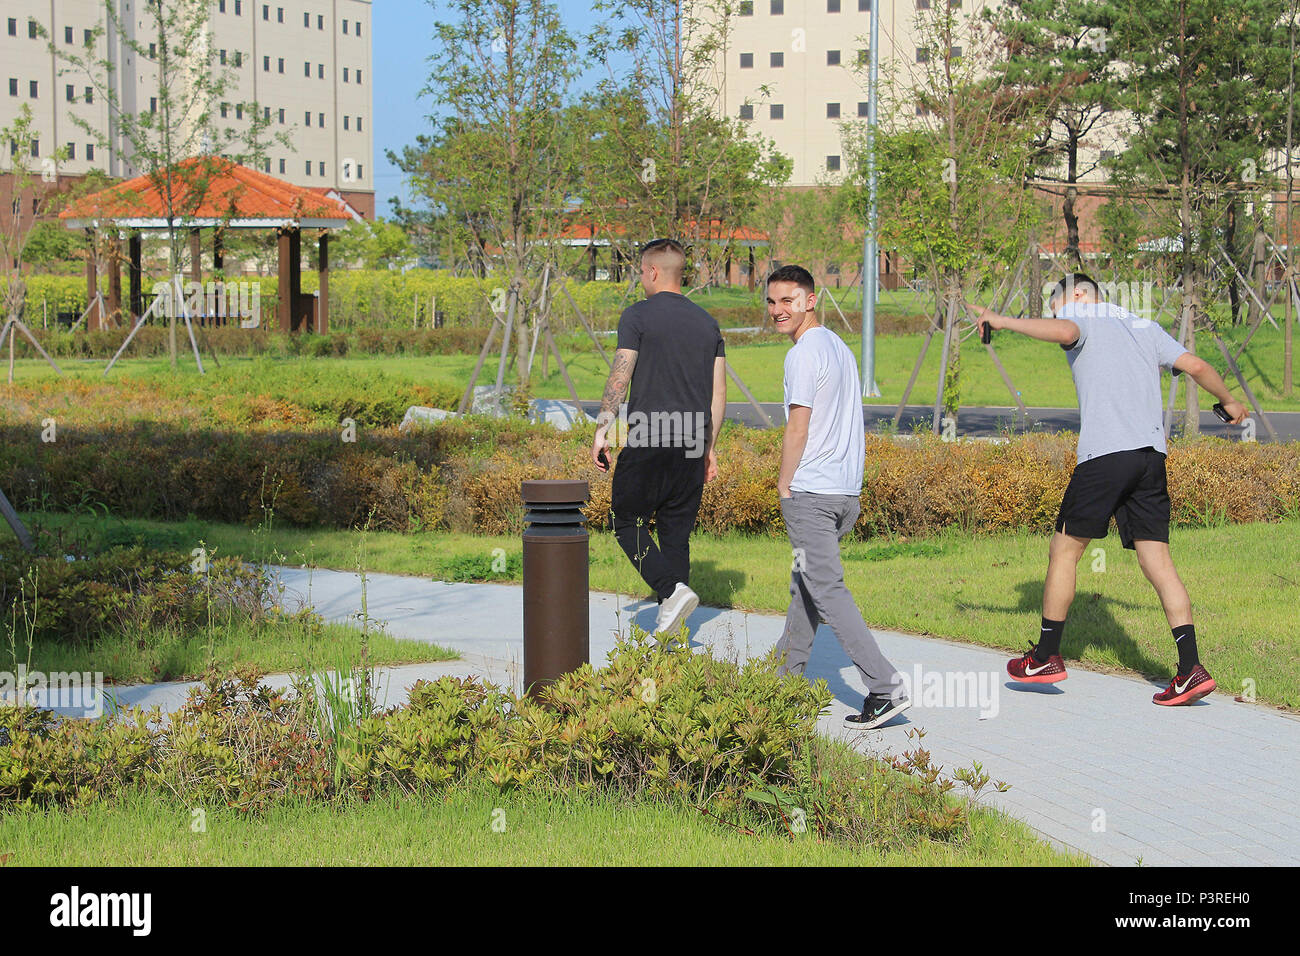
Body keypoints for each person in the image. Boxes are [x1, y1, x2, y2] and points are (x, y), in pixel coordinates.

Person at [969, 273, 1250, 705]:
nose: (1057, 315)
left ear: (1079, 296)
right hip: (1151, 457)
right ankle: (1190, 668)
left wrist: (1003, 321)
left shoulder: (1081, 315)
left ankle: (1045, 656)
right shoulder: (1143, 325)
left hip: (1105, 457)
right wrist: (1229, 401)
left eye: (1056, 304)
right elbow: (1195, 365)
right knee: (1157, 559)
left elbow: (1064, 330)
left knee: (1065, 551)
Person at [768, 265, 910, 729]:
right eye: (771, 302)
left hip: (812, 491)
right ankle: (779, 682)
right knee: (806, 585)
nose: (777, 311)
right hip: (845, 492)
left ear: (810, 300)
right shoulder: (839, 348)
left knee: (825, 588)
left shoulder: (804, 354)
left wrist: (784, 482)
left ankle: (885, 687)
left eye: (787, 300)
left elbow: (798, 425)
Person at [591, 239, 727, 637]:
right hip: (692, 441)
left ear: (651, 271)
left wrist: (603, 429)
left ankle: (670, 590)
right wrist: (709, 446)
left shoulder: (637, 316)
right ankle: (676, 631)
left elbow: (621, 374)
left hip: (651, 435)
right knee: (675, 533)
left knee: (623, 519)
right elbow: (718, 393)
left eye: (641, 272)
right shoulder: (707, 323)